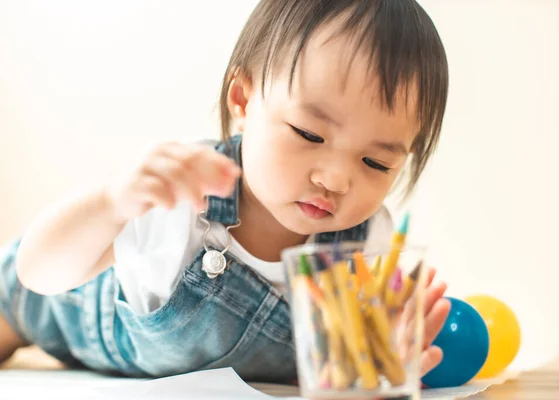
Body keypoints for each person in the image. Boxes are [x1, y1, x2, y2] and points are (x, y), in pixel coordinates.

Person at [0, 0, 451, 385]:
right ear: (242, 100)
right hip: (63, 299)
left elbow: (333, 372)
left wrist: (373, 362)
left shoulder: (364, 247)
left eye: (376, 163)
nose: (336, 179)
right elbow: (37, 274)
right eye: (309, 134)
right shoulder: (184, 195)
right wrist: (111, 204)